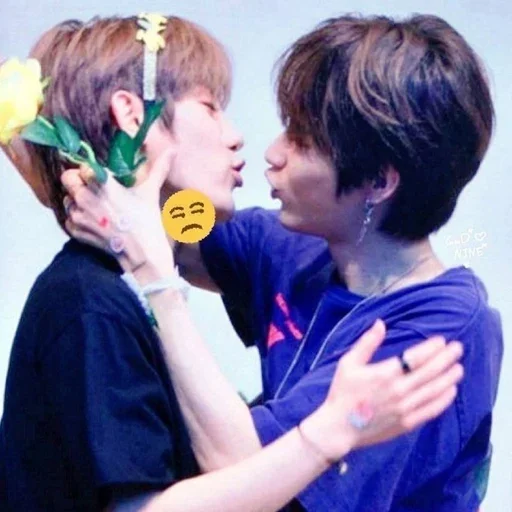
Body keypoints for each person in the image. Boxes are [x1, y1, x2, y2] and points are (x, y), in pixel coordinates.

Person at [0, 14, 465, 512]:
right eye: (211, 107)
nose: (252, 143)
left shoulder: (442, 321)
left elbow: (162, 240)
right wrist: (67, 177)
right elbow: (171, 231)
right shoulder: (91, 300)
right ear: (133, 116)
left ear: (378, 181)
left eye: (303, 139)